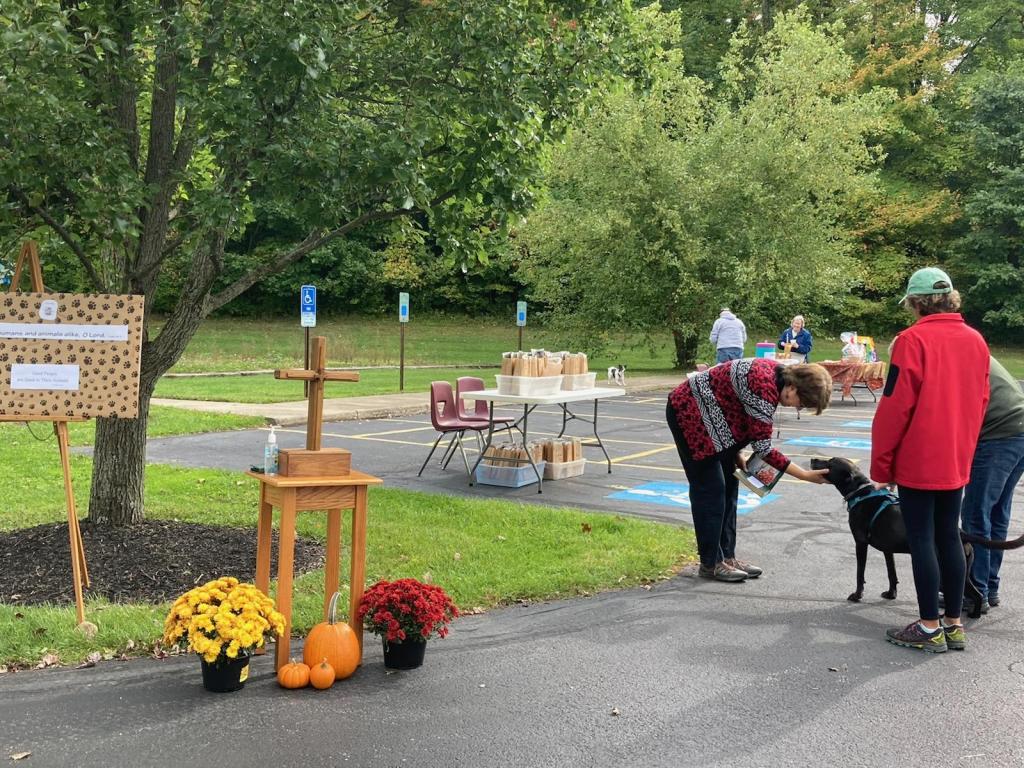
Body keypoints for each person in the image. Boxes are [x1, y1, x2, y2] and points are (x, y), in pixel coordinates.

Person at [871, 267, 989, 653]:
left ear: (917, 302)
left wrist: (882, 467)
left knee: (922, 538)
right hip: (956, 455)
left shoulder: (911, 340)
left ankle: (928, 625)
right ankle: (954, 623)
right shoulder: (975, 340)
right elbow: (981, 401)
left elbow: (894, 407)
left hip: (920, 457)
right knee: (948, 536)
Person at [666, 358, 833, 582]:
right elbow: (764, 449)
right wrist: (805, 475)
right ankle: (711, 563)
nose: (796, 407)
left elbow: (736, 406)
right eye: (800, 402)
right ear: (793, 386)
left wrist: (735, 450)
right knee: (711, 490)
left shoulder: (776, 377)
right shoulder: (765, 386)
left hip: (714, 417)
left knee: (730, 485)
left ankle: (727, 556)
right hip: (688, 413)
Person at [959, 356, 1024, 610]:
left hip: (999, 433)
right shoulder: (969, 347)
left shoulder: (946, 355)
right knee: (996, 511)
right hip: (1018, 428)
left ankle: (976, 591)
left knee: (976, 513)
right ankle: (989, 586)